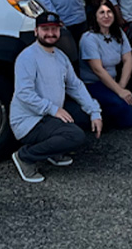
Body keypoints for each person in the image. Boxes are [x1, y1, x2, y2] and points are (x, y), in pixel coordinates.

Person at [9, 11, 103, 183]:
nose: (50, 33)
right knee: (75, 136)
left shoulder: (60, 56)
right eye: (45, 29)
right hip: (30, 120)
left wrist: (94, 112)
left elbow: (75, 86)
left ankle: (53, 152)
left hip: (49, 116)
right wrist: (53, 109)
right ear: (36, 31)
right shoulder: (27, 57)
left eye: (54, 29)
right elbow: (24, 94)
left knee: (86, 118)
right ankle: (25, 157)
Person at [78, 0, 132, 130]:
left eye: (109, 12)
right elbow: (97, 69)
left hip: (112, 82)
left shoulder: (118, 33)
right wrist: (119, 92)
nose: (106, 16)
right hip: (93, 84)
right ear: (95, 16)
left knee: (128, 110)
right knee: (125, 113)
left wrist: (121, 87)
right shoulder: (89, 38)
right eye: (102, 12)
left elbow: (128, 59)